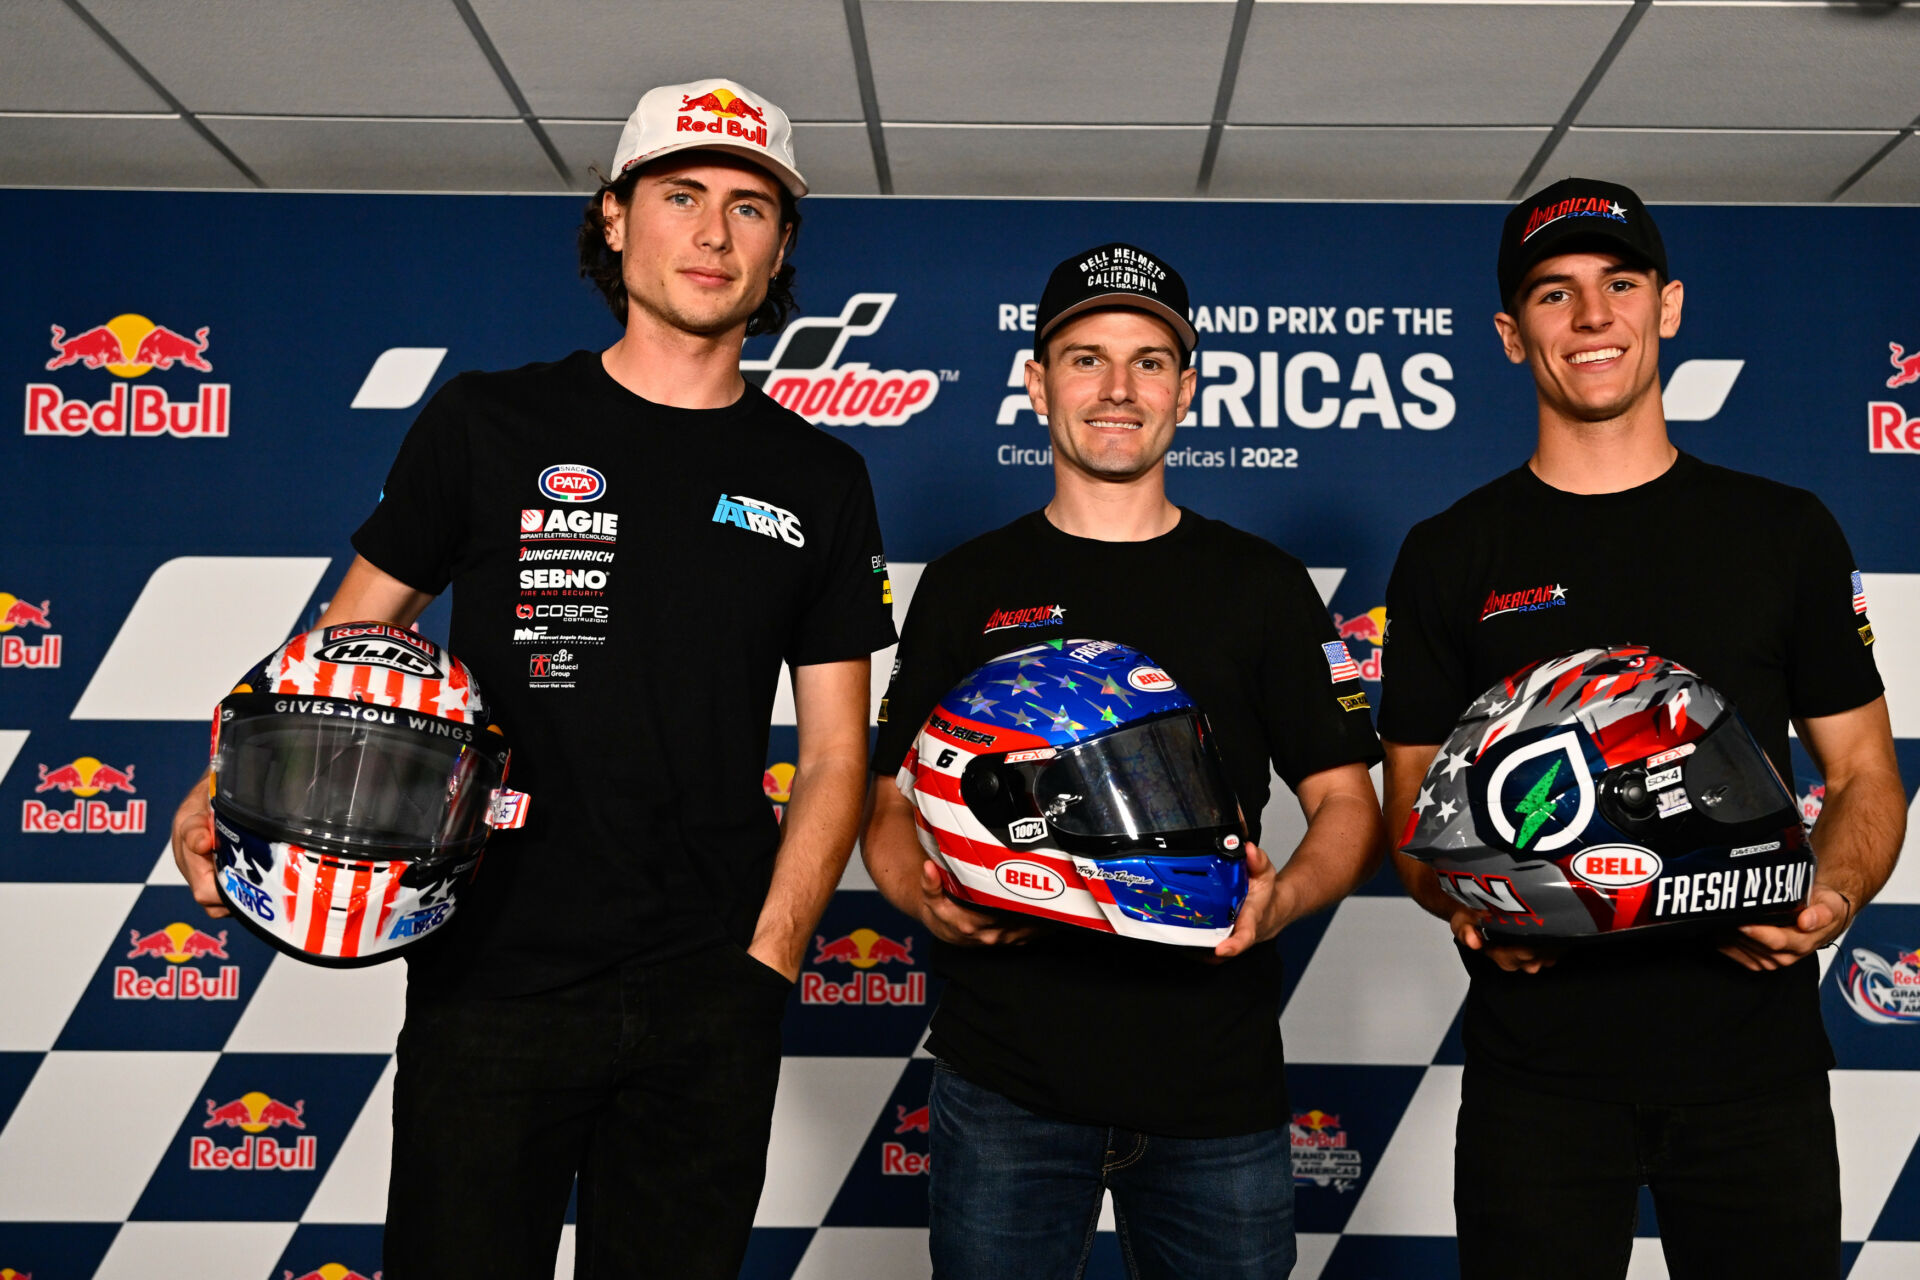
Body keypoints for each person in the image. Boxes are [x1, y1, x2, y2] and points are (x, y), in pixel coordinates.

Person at [169, 78, 896, 1277]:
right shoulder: (488, 423)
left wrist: (764, 962)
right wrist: (227, 783)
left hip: (706, 987)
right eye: (681, 196)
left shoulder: (820, 476)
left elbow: (834, 758)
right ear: (615, 218)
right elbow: (338, 653)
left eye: (750, 208)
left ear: (781, 248)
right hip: (490, 973)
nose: (714, 234)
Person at [1379, 177, 1906, 1280]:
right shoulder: (1448, 553)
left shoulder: (1783, 531)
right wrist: (1472, 898)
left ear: (1667, 305)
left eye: (1620, 285)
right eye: (1555, 294)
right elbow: (1412, 817)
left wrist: (1836, 897)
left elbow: (1863, 772)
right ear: (1510, 334)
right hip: (1541, 1079)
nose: (1592, 317)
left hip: (1753, 1071)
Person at [862, 242, 1387, 1278]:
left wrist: (1277, 905)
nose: (1116, 389)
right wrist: (924, 902)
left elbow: (1347, 805)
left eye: (1149, 361)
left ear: (1187, 389)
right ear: (1036, 379)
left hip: (1214, 1082)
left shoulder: (1264, 585)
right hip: (1005, 1077)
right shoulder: (970, 582)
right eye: (1086, 357)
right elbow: (885, 800)